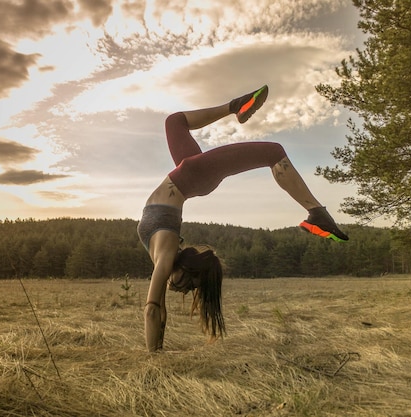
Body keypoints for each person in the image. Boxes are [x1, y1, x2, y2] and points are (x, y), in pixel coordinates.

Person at [137, 84, 348, 352]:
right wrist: (156, 356)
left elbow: (154, 311)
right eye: (191, 286)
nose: (182, 290)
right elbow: (157, 312)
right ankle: (316, 213)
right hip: (192, 178)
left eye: (188, 287)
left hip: (190, 177)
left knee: (175, 122)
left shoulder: (165, 257)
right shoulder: (165, 256)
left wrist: (153, 357)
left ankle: (235, 107)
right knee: (271, 152)